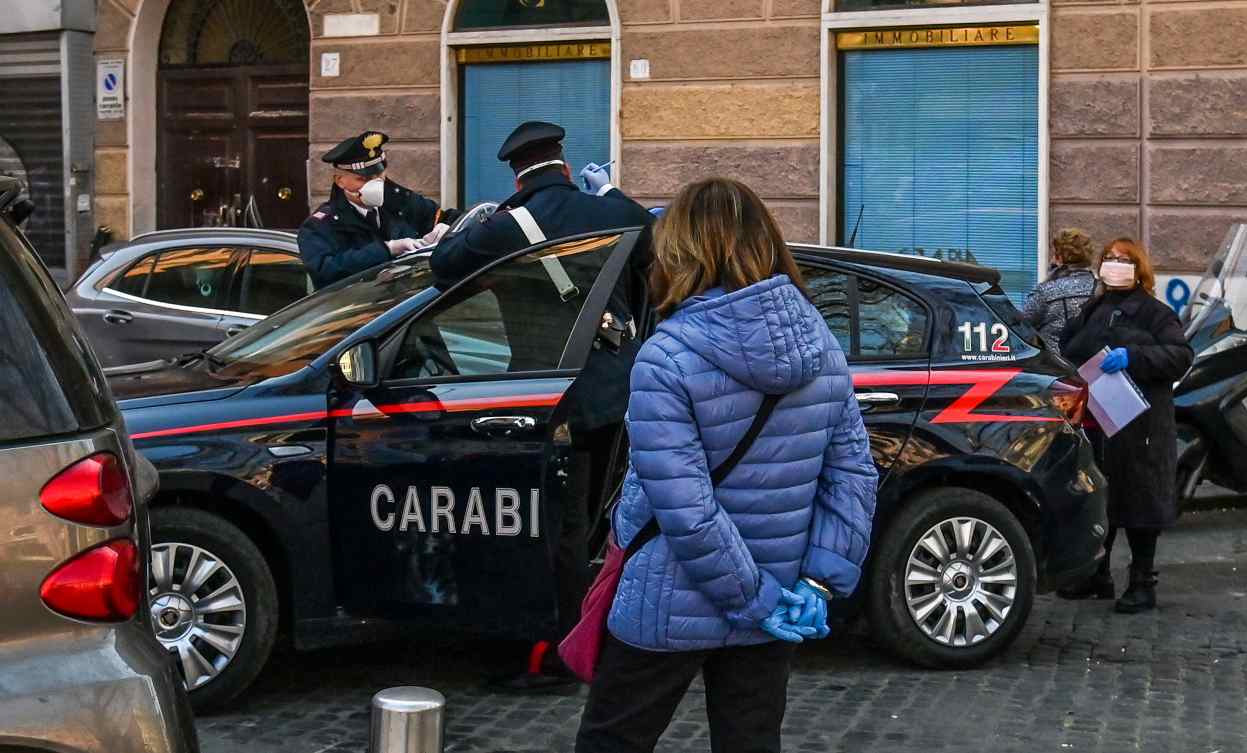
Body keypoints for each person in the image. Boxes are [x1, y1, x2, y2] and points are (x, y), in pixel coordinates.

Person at [575, 178, 879, 753]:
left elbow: (686, 511)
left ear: (681, 251)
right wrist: (815, 581)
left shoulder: (666, 355)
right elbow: (853, 477)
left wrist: (755, 598)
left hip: (671, 593)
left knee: (613, 740)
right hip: (780, 595)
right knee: (751, 740)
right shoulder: (821, 343)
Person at [431, 121, 655, 692]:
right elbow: (657, 237)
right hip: (619, 394)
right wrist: (609, 193)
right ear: (563, 161)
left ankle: (563, 649)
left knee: (558, 530)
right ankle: (619, 631)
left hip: (549, 400)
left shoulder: (507, 227)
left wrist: (475, 223)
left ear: (516, 171)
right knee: (614, 522)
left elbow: (442, 268)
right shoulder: (607, 213)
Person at [1058, 238, 1192, 613]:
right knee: (1101, 497)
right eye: (1109, 258)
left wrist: (1134, 356)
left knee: (1140, 500)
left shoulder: (1156, 313)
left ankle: (1142, 581)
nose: (1114, 264)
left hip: (1142, 424)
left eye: (1123, 259)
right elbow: (1071, 345)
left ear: (1139, 268)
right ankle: (1098, 574)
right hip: (1099, 418)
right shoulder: (1095, 307)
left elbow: (1180, 356)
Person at [298, 131, 452, 288]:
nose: (376, 183)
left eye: (379, 175)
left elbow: (449, 218)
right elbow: (325, 272)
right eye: (363, 179)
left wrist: (446, 229)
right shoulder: (320, 226)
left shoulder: (401, 201)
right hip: (359, 309)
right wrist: (387, 249)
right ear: (340, 181)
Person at [1022, 228, 1098, 356]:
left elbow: (1022, 325)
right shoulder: (1100, 288)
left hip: (1054, 365)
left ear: (1059, 258)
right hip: (1092, 366)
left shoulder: (1046, 291)